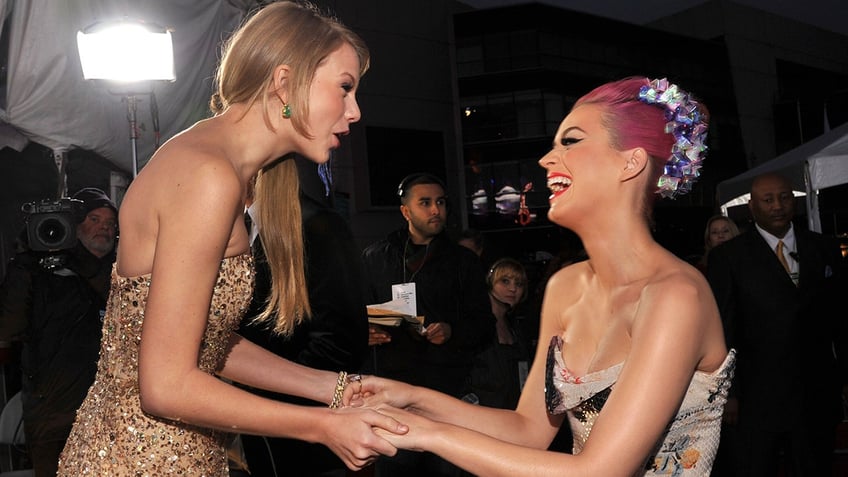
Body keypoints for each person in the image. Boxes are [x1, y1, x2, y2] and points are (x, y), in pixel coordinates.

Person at [55, 3, 407, 476]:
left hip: (167, 454)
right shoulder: (208, 176)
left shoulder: (231, 174)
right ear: (285, 83)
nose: (355, 111)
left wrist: (331, 387)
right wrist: (322, 425)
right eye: (344, 88)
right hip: (141, 462)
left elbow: (208, 344)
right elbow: (166, 386)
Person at [352, 77, 736, 477]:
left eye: (569, 141)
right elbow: (527, 430)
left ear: (631, 162)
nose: (546, 160)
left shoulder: (677, 295)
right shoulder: (564, 288)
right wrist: (410, 398)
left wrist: (425, 432)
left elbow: (599, 471)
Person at [706, 172, 848, 477]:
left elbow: (839, 317)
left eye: (784, 197)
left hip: (816, 392)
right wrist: (730, 392)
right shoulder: (729, 257)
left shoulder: (823, 247)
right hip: (759, 397)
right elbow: (724, 327)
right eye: (767, 200)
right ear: (752, 206)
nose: (777, 206)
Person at [236, 154, 370, 477]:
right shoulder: (238, 229)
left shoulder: (320, 226)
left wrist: (271, 394)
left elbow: (341, 341)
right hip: (259, 430)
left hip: (307, 436)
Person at [360, 172, 495, 477]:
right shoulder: (375, 257)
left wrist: (452, 331)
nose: (436, 209)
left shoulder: (464, 261)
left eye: (441, 202)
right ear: (406, 211)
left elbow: (485, 325)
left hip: (448, 395)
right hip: (392, 393)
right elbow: (356, 313)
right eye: (425, 203)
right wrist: (366, 331)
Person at [0, 187, 117, 477]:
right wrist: (23, 263)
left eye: (111, 223)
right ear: (72, 226)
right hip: (52, 418)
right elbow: (7, 327)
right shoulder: (36, 274)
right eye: (93, 218)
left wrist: (80, 261)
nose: (104, 226)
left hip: (110, 415)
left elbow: (118, 301)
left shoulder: (119, 271)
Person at [467, 257, 532, 410]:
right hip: (480, 414)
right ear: (490, 283)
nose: (513, 289)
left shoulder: (516, 328)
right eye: (505, 281)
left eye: (519, 284)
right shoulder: (473, 325)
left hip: (513, 413)